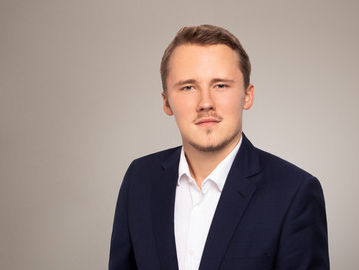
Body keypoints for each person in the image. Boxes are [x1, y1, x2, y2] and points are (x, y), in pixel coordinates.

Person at [109, 24, 329, 270]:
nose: (205, 103)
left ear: (247, 95)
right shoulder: (139, 179)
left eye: (221, 85)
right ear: (167, 102)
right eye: (188, 87)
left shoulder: (294, 192)